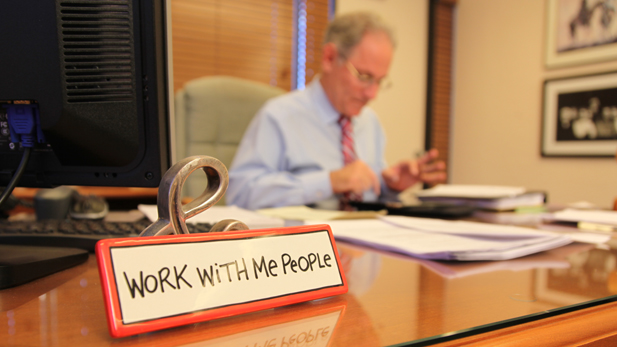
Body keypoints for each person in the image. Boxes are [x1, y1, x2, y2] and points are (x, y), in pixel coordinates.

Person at [227, 12, 446, 210]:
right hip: (303, 250)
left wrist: (391, 186)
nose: (372, 94)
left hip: (361, 246)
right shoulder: (280, 116)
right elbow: (240, 194)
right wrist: (329, 181)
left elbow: (365, 193)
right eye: (364, 77)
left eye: (380, 81)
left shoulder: (369, 122)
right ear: (329, 58)